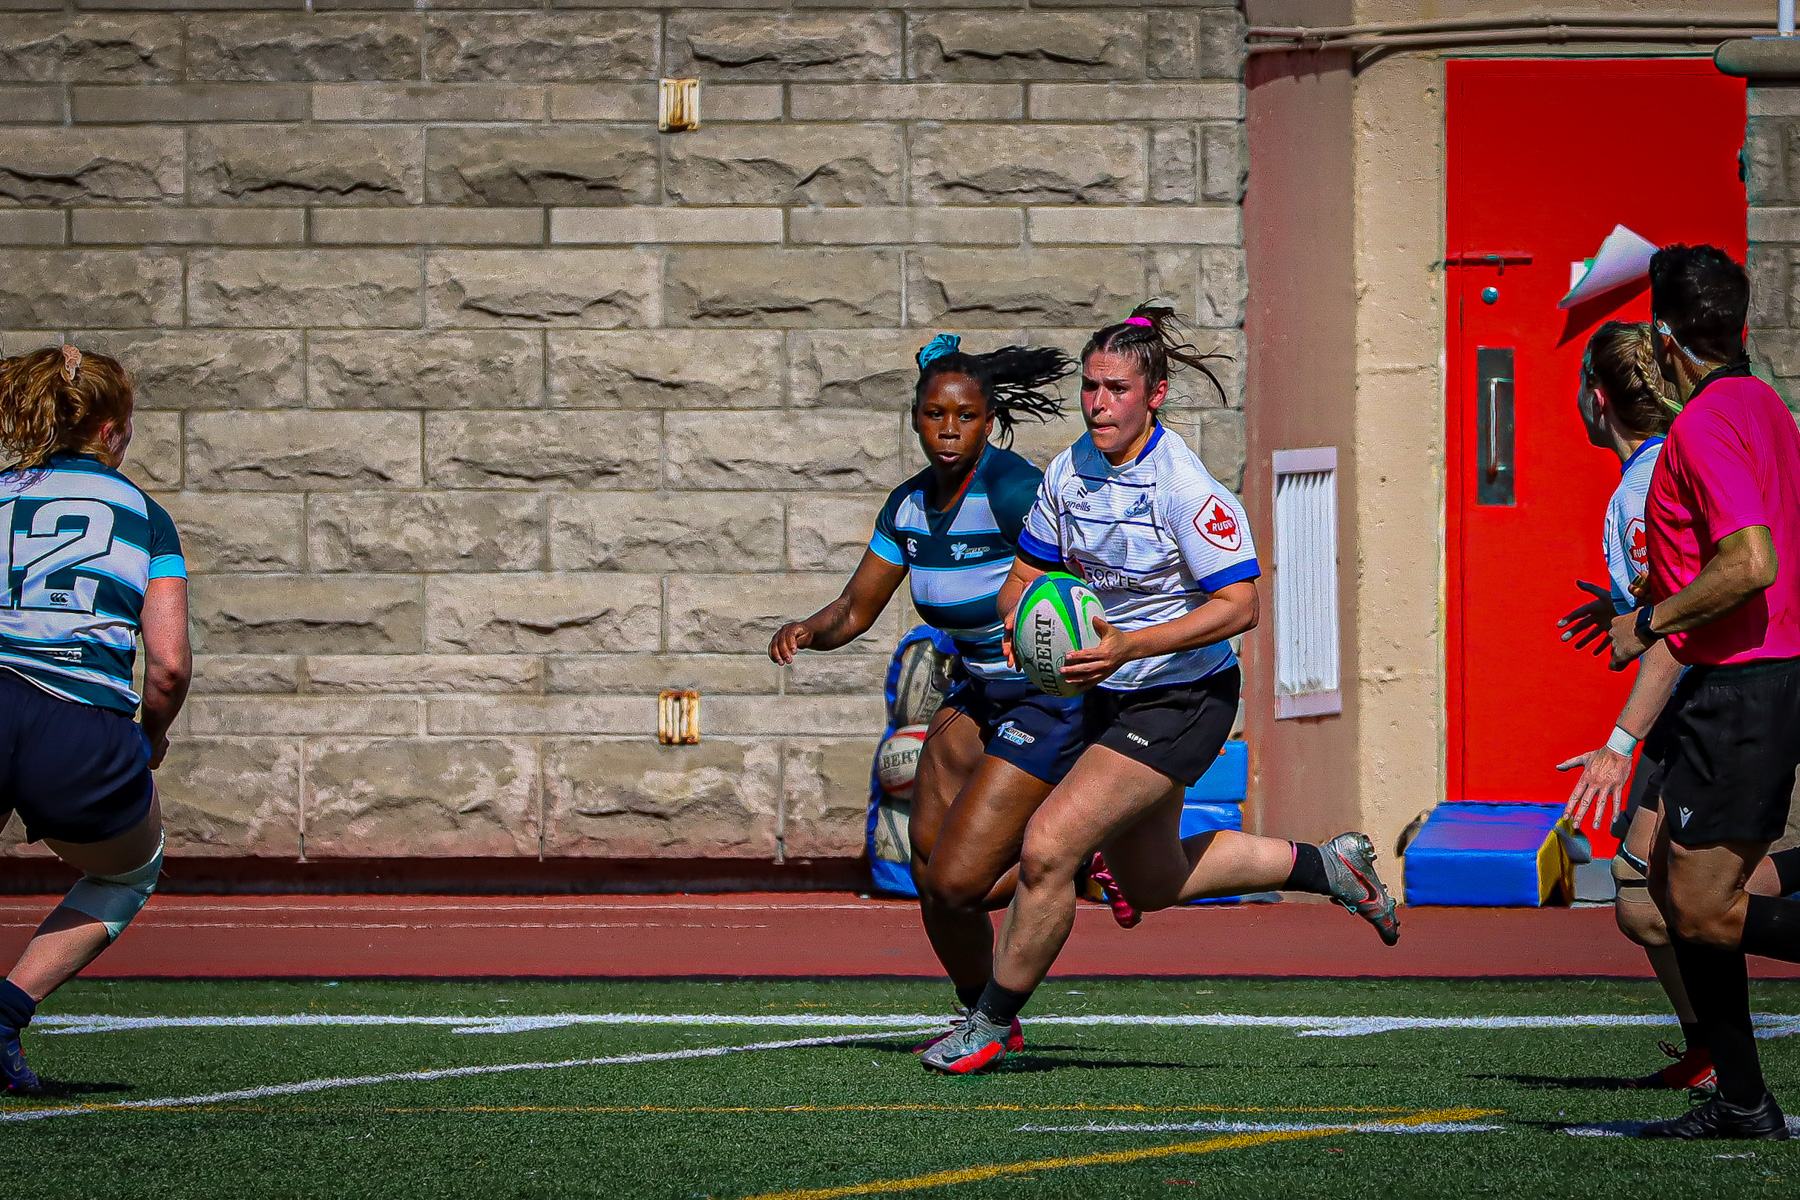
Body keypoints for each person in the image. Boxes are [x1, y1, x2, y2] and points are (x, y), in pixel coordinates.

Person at [920, 305, 1399, 1077]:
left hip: (1182, 699)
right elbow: (1025, 576)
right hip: (1105, 688)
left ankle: (990, 1024)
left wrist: (1130, 646)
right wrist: (1018, 623)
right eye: (1090, 388)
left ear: (1156, 395)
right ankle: (1328, 866)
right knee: (1152, 879)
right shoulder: (1069, 473)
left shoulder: (1184, 489)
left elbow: (1240, 605)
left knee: (1050, 847)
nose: (1098, 403)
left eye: (1116, 389)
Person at [770, 335, 1097, 1056]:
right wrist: (807, 630)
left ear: (989, 421)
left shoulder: (1011, 490)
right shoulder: (910, 508)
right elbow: (855, 610)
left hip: (1045, 698)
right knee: (930, 869)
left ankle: (1076, 856)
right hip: (978, 692)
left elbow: (1084, 575)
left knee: (966, 882)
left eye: (966, 416)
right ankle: (986, 1014)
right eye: (934, 415)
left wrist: (1074, 639)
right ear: (916, 419)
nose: (949, 430)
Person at [1556, 321, 1800, 1094]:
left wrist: (1619, 743)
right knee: (1659, 897)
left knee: (1675, 898)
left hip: (1729, 700)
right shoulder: (1721, 431)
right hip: (1744, 691)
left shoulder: (1645, 484)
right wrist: (1633, 609)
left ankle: (1719, 1066)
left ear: (1598, 401)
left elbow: (1684, 620)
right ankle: (1721, 1071)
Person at [0, 345, 190, 1093]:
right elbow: (168, 665)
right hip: (81, 723)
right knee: (127, 872)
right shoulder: (145, 515)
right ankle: (6, 1016)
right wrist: (148, 741)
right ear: (110, 430)